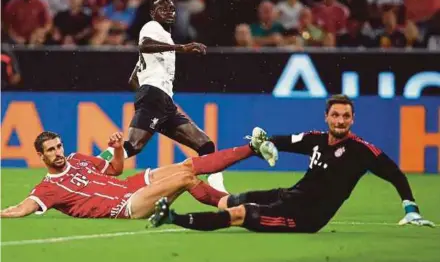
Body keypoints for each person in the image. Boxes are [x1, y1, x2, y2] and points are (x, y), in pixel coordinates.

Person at [149, 94, 435, 232]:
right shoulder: (316, 139)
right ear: (327, 117)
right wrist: (263, 142)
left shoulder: (362, 151)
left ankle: (172, 218)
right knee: (228, 201)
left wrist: (410, 207)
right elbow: (280, 142)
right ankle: (193, 183)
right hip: (288, 197)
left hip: (304, 218)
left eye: (345, 116)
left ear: (353, 119)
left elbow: (395, 174)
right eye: (335, 115)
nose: (340, 121)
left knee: (237, 213)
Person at [100, 0, 226, 192]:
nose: (169, 11)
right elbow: (144, 45)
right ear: (153, 13)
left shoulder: (165, 38)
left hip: (162, 101)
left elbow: (133, 77)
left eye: (172, 9)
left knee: (206, 145)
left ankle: (220, 191)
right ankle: (93, 166)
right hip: (155, 95)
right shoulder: (152, 27)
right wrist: (181, 48)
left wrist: (145, 93)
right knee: (133, 145)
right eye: (163, 8)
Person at [0, 130, 276, 219]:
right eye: (51, 150)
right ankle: (231, 206)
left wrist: (117, 148)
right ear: (42, 156)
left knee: (187, 166)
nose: (58, 152)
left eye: (58, 146)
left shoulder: (78, 160)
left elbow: (114, 165)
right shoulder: (47, 188)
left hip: (128, 185)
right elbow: (21, 209)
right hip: (126, 205)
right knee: (185, 179)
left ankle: (253, 148)